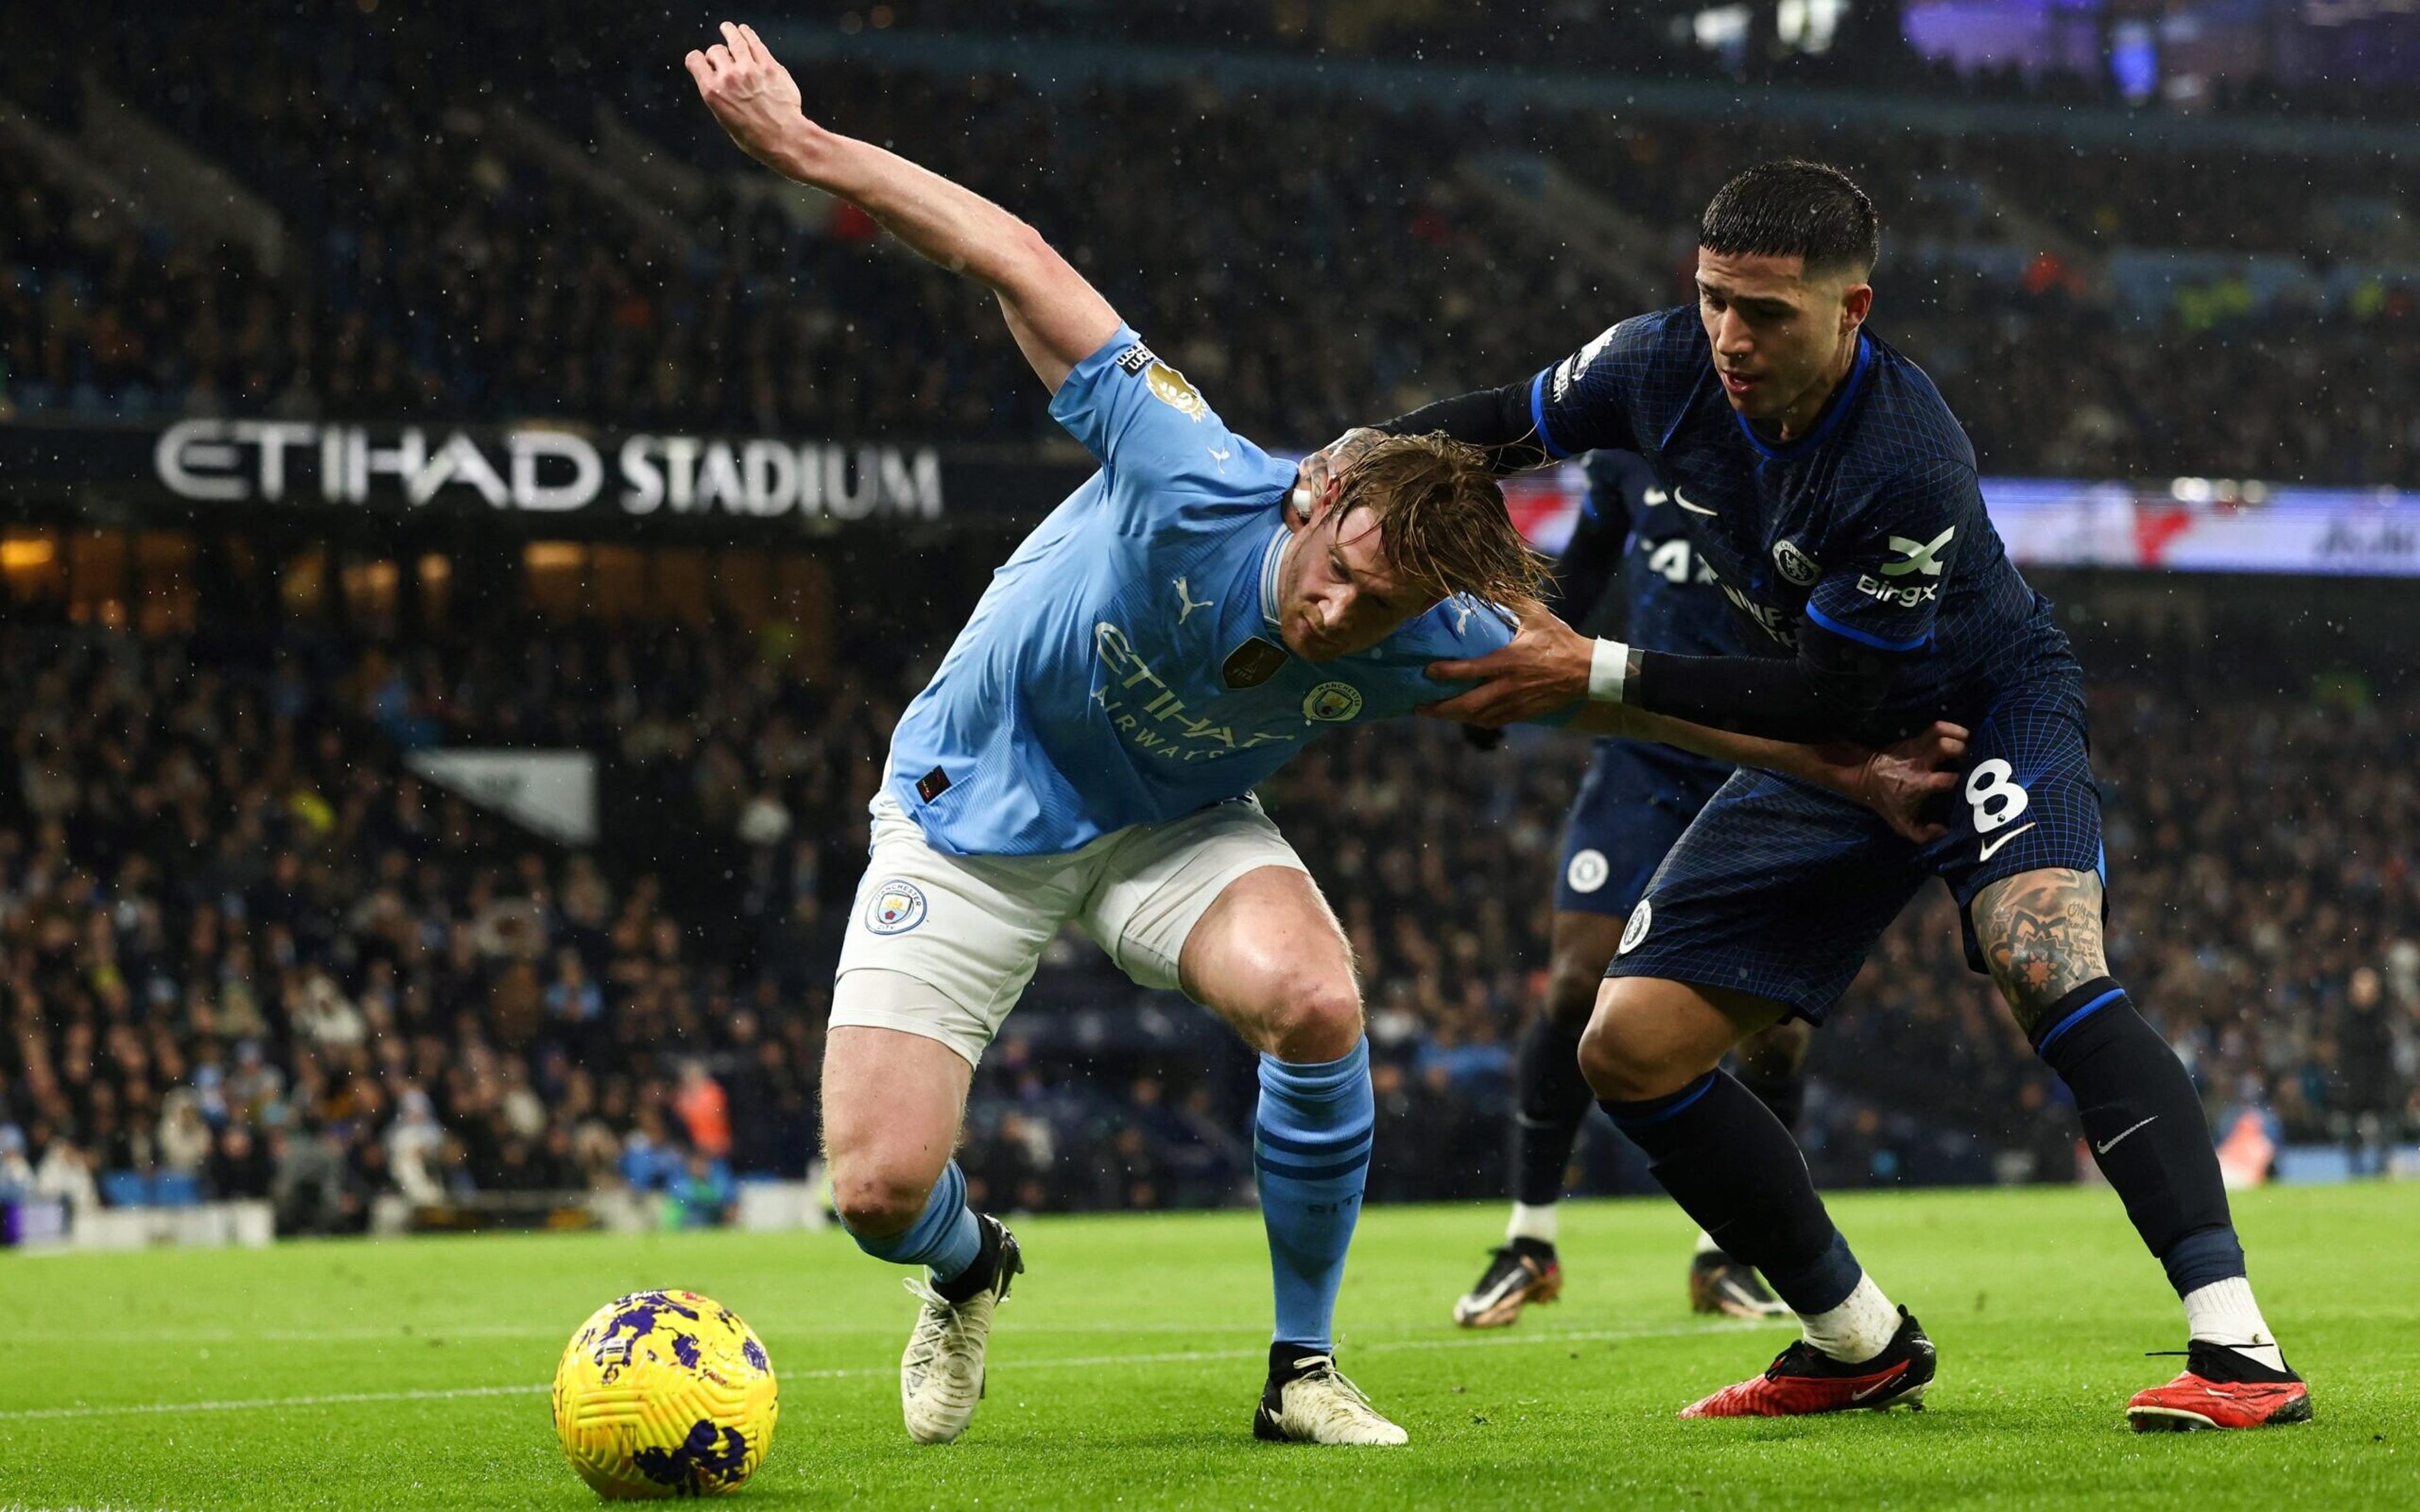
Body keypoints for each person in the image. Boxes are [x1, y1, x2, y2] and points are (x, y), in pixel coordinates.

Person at [686, 30, 1961, 1448]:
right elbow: (1011, 251)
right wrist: (805, 149)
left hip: (1175, 824)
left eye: (1381, 606)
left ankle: (1302, 1371)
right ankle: (970, 1264)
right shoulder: (1188, 470)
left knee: (1318, 1005)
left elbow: (1636, 699)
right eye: (1340, 570)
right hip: (970, 811)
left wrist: (1857, 772)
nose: (1340, 613)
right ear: (1314, 502)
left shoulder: (1428, 625)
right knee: (873, 1192)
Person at [1372, 160, 2308, 1431]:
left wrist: (1584, 667)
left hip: (1980, 708)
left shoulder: (1905, 457)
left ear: (1852, 309)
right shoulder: (1660, 364)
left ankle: (2239, 1351)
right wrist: (1344, 474)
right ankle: (1855, 1341)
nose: (1731, 338)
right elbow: (1490, 421)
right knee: (1626, 1048)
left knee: (2043, 954)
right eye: (1714, 300)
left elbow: (1843, 701)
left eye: (1768, 313)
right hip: (1835, 736)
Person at [1451, 450, 1805, 1331]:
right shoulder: (1625, 459)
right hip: (1643, 753)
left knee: (1781, 1035)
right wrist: (1509, 682)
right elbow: (1577, 585)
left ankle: (1729, 1253)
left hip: (1760, 754)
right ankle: (1529, 1242)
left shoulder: (1799, 450)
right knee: (1577, 980)